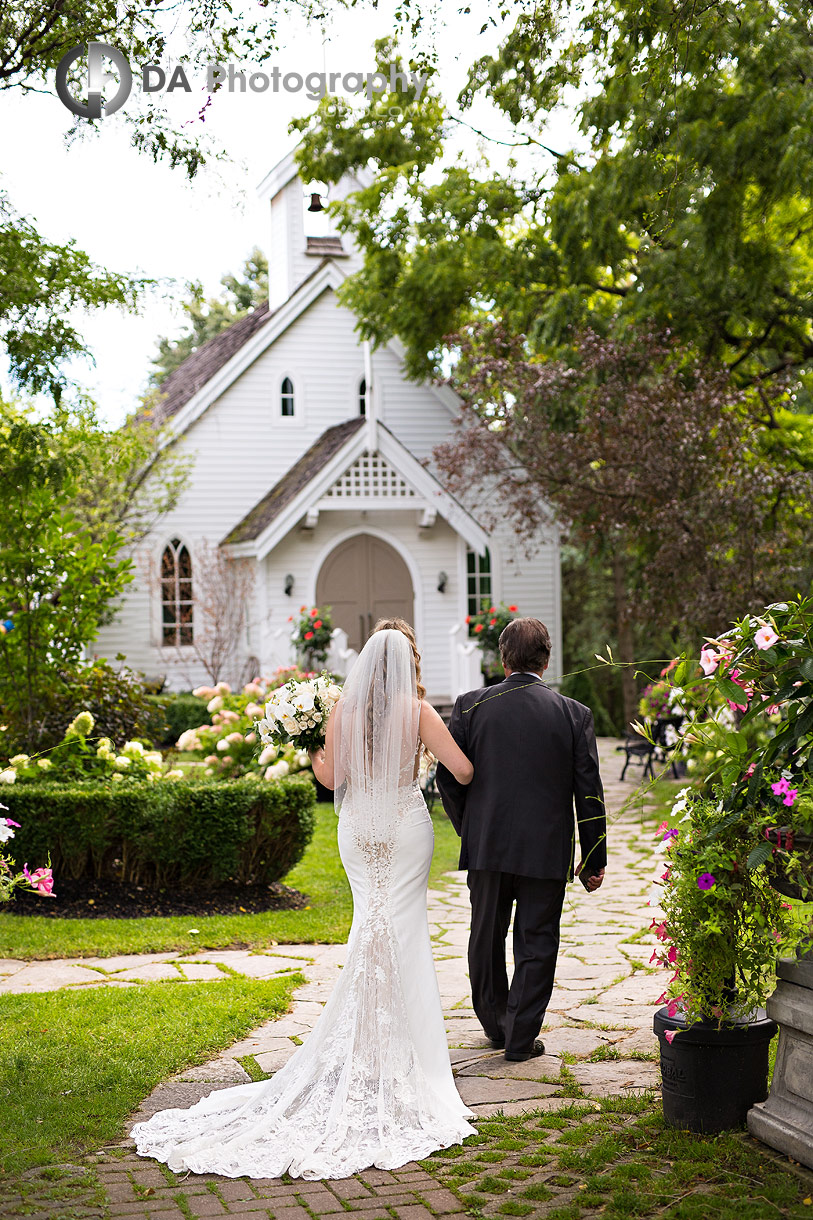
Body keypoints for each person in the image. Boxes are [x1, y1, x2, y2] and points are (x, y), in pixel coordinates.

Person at [131, 619, 476, 1180]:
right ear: (406, 662)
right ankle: (408, 1057)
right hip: (404, 825)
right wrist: (425, 760)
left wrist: (313, 746)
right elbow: (461, 768)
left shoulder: (341, 710)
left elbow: (331, 780)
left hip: (359, 828)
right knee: (404, 930)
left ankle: (366, 1047)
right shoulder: (418, 711)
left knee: (370, 925)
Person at [436, 617, 606, 1062]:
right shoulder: (573, 714)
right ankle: (519, 1037)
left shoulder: (470, 706)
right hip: (545, 850)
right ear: (546, 660)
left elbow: (447, 779)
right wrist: (592, 856)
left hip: (487, 846)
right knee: (537, 940)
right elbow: (589, 791)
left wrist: (469, 827)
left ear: (502, 657)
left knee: (485, 936)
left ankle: (497, 1026)